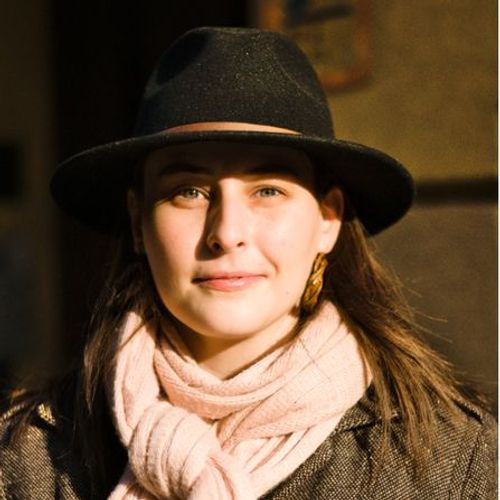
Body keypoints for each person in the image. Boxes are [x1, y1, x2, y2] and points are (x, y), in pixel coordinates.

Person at [0, 26, 496, 499]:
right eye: (188, 191)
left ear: (328, 219)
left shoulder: (455, 458)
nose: (226, 233)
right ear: (137, 222)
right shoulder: (30, 453)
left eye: (268, 190)